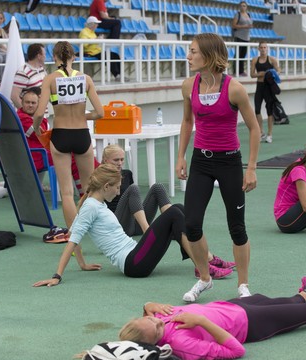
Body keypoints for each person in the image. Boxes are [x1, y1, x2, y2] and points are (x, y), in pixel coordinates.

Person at [118, 277, 306, 360]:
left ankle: (304, 296)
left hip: (232, 307)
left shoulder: (153, 320)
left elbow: (147, 308)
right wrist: (202, 323)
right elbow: (236, 351)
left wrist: (150, 304)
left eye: (151, 318)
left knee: (267, 296)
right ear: (153, 344)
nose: (157, 320)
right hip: (251, 325)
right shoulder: (182, 344)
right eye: (156, 327)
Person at [32, 164, 216, 290]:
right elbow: (72, 239)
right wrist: (57, 276)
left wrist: (83, 264)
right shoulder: (90, 207)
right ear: (106, 186)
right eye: (117, 187)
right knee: (174, 214)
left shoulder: (97, 204)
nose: (119, 191)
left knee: (178, 208)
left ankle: (204, 262)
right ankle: (203, 266)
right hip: (134, 264)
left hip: (136, 253)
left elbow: (73, 232)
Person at [176, 33, 261, 302]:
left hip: (229, 162)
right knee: (191, 225)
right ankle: (204, 278)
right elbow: (187, 122)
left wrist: (251, 168)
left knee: (237, 227)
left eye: (193, 52)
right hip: (201, 161)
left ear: (210, 55)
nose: (188, 56)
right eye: (188, 51)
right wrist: (181, 156)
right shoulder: (188, 86)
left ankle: (243, 284)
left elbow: (254, 128)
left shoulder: (234, 88)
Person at [102, 145, 235, 279]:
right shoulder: (101, 178)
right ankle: (150, 233)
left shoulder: (127, 174)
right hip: (119, 222)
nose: (119, 163)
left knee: (167, 197)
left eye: (122, 160)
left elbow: (134, 203)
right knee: (133, 189)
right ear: (105, 160)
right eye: (116, 160)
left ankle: (209, 258)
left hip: (134, 221)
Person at [32, 41, 103, 255]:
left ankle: (75, 243)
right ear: (74, 56)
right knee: (91, 191)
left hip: (61, 134)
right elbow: (100, 113)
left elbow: (38, 113)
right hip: (82, 134)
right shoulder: (86, 79)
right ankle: (99, 236)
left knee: (66, 192)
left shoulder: (50, 79)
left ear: (55, 58)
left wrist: (37, 130)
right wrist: (83, 115)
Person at [79, 16, 126, 82]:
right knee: (109, 56)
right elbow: (84, 44)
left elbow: (95, 42)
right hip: (91, 52)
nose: (97, 25)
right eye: (96, 24)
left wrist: (99, 40)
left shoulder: (92, 32)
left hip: (98, 51)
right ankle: (117, 75)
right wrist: (96, 40)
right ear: (92, 24)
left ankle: (120, 74)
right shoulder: (84, 32)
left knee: (115, 55)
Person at [250, 42, 281, 143]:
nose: (263, 49)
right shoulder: (255, 60)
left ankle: (270, 134)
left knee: (269, 111)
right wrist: (261, 74)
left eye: (265, 47)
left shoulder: (272, 59)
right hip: (259, 87)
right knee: (257, 110)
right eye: (261, 47)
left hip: (268, 87)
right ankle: (261, 132)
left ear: (267, 49)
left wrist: (273, 74)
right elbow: (252, 74)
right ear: (258, 49)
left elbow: (279, 70)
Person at [11, 43, 46, 109]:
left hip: (42, 114)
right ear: (39, 56)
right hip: (30, 117)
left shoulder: (42, 69)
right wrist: (26, 114)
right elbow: (14, 96)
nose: (45, 57)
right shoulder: (23, 72)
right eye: (44, 54)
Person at [231, 1, 253, 77]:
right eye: (241, 6)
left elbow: (250, 24)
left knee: (243, 55)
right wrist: (245, 27)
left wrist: (249, 26)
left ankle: (241, 71)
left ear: (246, 7)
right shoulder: (238, 14)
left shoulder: (249, 15)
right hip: (239, 36)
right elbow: (233, 25)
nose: (243, 7)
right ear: (239, 7)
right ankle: (235, 71)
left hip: (246, 37)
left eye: (244, 6)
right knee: (238, 54)